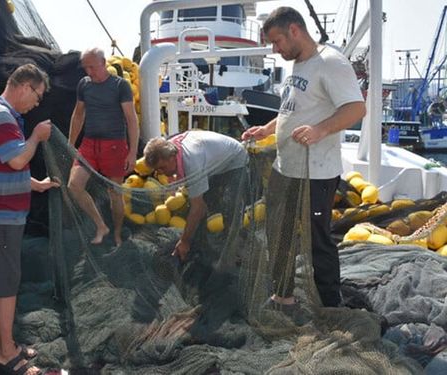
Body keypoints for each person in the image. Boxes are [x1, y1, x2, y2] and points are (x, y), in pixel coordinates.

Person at [241, 7, 366, 309]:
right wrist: (267, 129)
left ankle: (329, 306)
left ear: (295, 30)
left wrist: (320, 130)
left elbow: (355, 109)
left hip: (317, 173)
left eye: (277, 41)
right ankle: (283, 295)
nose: (274, 49)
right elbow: (292, 109)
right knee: (278, 233)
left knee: (316, 241)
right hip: (286, 168)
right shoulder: (297, 64)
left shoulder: (331, 63)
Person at [0, 63, 59, 375]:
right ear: (25, 86)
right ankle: (6, 353)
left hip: (1, 216)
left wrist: (37, 185)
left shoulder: (4, 115)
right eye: (37, 96)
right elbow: (19, 158)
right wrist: (36, 136)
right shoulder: (1, 116)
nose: (36, 103)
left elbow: (6, 165)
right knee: (4, 284)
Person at [67, 47, 139, 246]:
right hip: (89, 144)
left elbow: (131, 120)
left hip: (115, 145)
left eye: (93, 67)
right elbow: (78, 115)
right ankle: (101, 225)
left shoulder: (120, 86)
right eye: (86, 68)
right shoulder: (84, 84)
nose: (89, 72)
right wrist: (70, 144)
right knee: (74, 185)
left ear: (104, 62)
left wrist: (132, 152)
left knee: (115, 193)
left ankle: (116, 233)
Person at [143, 130, 249, 262]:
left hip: (235, 160)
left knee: (230, 208)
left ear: (171, 158)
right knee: (206, 202)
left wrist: (184, 241)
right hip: (212, 162)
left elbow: (198, 208)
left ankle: (236, 251)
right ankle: (202, 244)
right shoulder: (169, 146)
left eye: (162, 168)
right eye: (157, 170)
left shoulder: (191, 161)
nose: (161, 172)